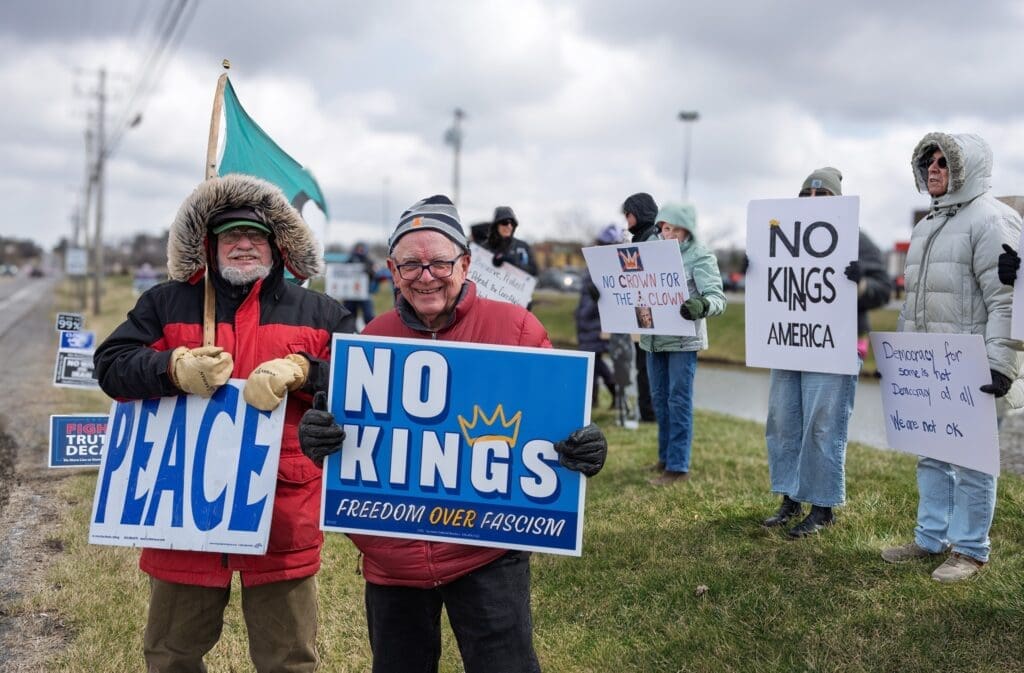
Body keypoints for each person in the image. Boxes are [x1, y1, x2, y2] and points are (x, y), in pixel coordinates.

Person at [297, 195, 608, 673]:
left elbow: (555, 427)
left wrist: (581, 449)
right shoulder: (370, 340)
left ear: (465, 263)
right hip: (392, 559)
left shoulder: (517, 329)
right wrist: (321, 440)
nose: (426, 276)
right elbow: (350, 441)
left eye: (440, 262)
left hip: (485, 554)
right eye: (411, 264)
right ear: (392, 270)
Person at [93, 174, 354, 672]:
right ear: (208, 247)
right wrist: (172, 368)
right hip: (183, 515)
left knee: (289, 660)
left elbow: (364, 382)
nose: (243, 244)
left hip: (281, 512)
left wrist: (305, 372)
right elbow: (110, 366)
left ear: (278, 246)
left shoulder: (321, 313)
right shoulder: (165, 303)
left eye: (255, 235)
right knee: (171, 656)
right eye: (230, 235)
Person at [881, 132, 1023, 582]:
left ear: (967, 167)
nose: (934, 168)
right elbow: (912, 303)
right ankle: (930, 537)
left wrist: (1001, 365)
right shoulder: (925, 226)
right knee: (932, 454)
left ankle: (970, 550)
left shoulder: (993, 220)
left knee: (973, 460)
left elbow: (1006, 300)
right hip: (930, 368)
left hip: (974, 365)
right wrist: (899, 361)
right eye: (930, 160)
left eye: (944, 161)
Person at [761, 168, 892, 537]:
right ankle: (790, 498)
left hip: (836, 344)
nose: (814, 201)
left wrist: (860, 283)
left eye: (823, 195)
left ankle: (822, 508)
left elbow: (883, 289)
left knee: (822, 425)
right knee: (784, 420)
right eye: (807, 195)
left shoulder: (856, 238)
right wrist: (756, 272)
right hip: (790, 341)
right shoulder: (781, 235)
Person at [640, 202, 726, 485]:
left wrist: (702, 305)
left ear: (687, 230)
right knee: (659, 399)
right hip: (653, 340)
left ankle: (678, 467)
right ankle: (665, 458)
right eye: (665, 229)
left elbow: (717, 297)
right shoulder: (649, 251)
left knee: (678, 401)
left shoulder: (700, 256)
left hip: (683, 342)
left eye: (676, 230)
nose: (669, 235)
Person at [622, 192, 660, 423]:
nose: (626, 218)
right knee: (642, 366)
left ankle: (650, 412)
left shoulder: (653, 240)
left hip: (654, 316)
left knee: (648, 367)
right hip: (642, 313)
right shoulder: (640, 240)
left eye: (629, 213)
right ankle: (647, 411)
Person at [576, 223, 622, 409]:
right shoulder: (595, 265)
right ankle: (593, 400)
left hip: (597, 321)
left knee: (594, 360)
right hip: (586, 320)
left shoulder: (610, 268)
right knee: (592, 362)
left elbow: (607, 297)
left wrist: (588, 310)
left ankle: (613, 393)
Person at [484, 205, 538, 276]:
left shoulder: (523, 246)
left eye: (512, 223)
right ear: (496, 225)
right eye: (505, 222)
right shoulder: (484, 247)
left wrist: (515, 264)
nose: (509, 226)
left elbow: (534, 272)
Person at [344, 241, 378, 326]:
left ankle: (371, 330)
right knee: (349, 315)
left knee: (368, 314)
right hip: (351, 293)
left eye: (361, 249)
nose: (360, 251)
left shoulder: (368, 261)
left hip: (365, 292)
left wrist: (367, 270)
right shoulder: (350, 260)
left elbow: (374, 275)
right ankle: (350, 330)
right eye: (358, 249)